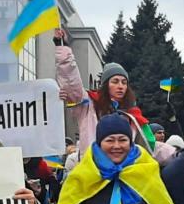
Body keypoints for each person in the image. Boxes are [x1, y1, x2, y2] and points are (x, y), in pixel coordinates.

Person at [54, 28, 154, 157]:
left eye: (124, 82)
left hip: (123, 170)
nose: (120, 86)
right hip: (94, 168)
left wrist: (177, 152)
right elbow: (71, 80)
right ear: (105, 85)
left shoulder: (133, 114)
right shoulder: (88, 104)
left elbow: (149, 145)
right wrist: (63, 46)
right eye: (115, 81)